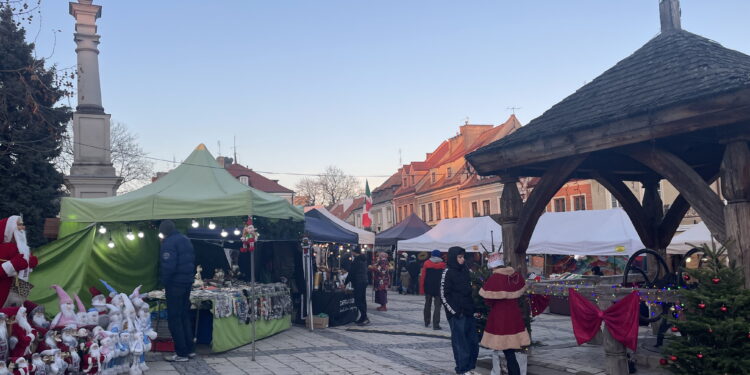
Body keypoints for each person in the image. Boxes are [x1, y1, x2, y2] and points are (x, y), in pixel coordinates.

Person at [479, 253, 530, 375]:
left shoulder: (495, 278)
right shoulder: (514, 275)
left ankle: (514, 373)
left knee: (509, 352)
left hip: (500, 317)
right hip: (514, 314)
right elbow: (521, 288)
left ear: (493, 266)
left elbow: (488, 300)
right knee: (511, 350)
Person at [159, 220, 196, 362]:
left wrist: (164, 282)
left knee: (174, 318)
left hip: (175, 284)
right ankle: (190, 349)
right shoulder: (185, 240)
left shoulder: (168, 243)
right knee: (184, 316)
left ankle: (181, 353)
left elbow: (169, 266)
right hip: (187, 282)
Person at [440, 246, 479, 375]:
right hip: (457, 314)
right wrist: (454, 312)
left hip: (468, 312)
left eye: (463, 257)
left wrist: (473, 308)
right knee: (460, 343)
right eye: (459, 257)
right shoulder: (448, 272)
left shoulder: (465, 270)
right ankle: (462, 369)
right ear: (453, 257)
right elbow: (444, 294)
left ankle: (470, 367)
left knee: (473, 342)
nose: (462, 259)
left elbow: (469, 291)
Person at [0, 216, 38, 308]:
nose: (22, 228)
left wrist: (30, 264)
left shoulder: (23, 249)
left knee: (18, 309)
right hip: (3, 289)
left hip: (17, 290)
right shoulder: (3, 248)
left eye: (22, 225)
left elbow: (24, 269)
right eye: (19, 225)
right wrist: (12, 265)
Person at [420, 249, 446, 330]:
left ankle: (427, 321)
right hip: (438, 288)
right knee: (437, 306)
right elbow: (444, 277)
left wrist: (421, 288)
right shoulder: (443, 264)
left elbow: (423, 276)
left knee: (427, 304)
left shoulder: (427, 263)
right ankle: (436, 324)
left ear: (432, 255)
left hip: (428, 287)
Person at [345, 247, 370, 325]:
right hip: (364, 281)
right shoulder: (363, 259)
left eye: (352, 252)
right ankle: (363, 318)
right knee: (362, 300)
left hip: (358, 282)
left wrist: (345, 283)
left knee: (358, 300)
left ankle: (365, 317)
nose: (351, 253)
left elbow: (351, 273)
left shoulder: (356, 260)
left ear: (354, 252)